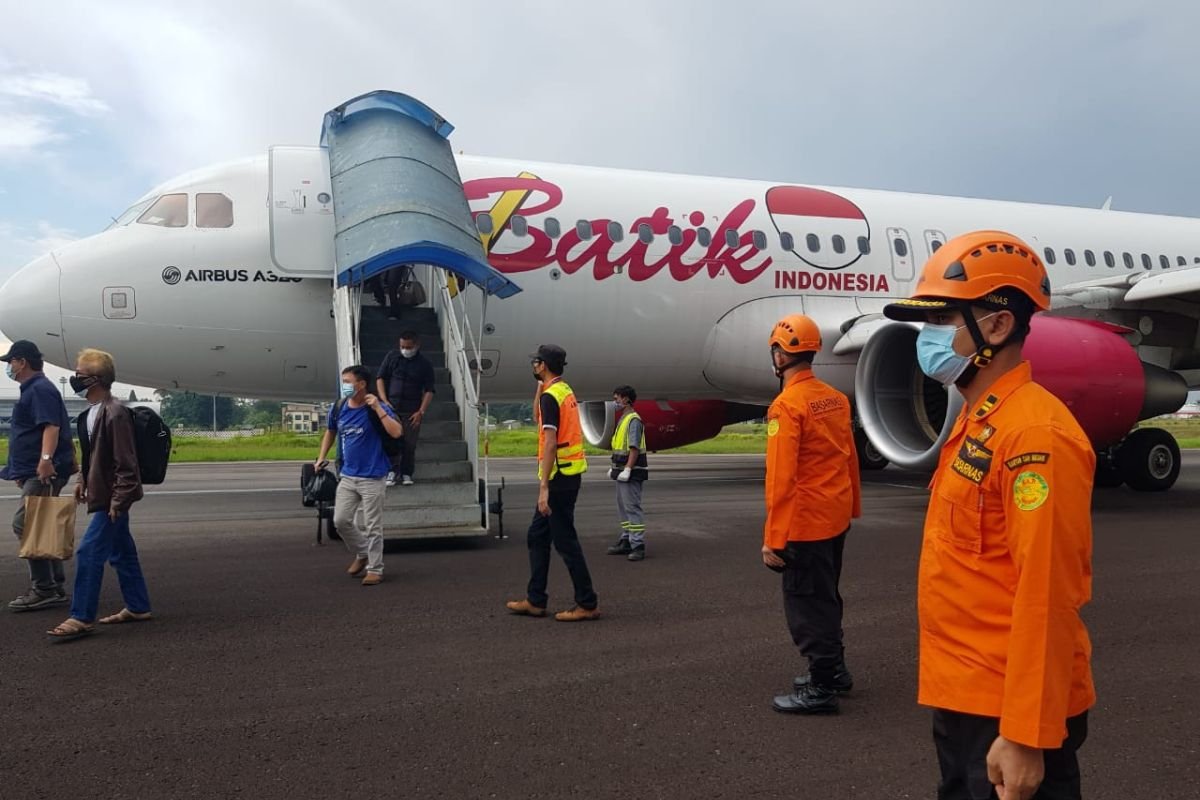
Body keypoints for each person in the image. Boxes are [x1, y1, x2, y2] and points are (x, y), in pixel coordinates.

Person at [883, 230, 1095, 800]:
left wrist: (1026, 733)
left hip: (1007, 710)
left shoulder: (1035, 434)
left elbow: (1047, 591)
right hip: (963, 693)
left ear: (998, 326)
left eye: (942, 320)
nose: (928, 337)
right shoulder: (981, 420)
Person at [762, 315, 862, 715]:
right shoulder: (835, 398)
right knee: (826, 596)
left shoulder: (786, 406)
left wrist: (774, 538)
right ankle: (834, 671)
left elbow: (780, 480)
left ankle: (822, 687)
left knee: (806, 605)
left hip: (804, 523)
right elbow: (849, 458)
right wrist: (852, 504)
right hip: (834, 517)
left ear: (780, 354)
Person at [47, 349, 151, 641]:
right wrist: (82, 480)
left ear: (95, 379)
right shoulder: (92, 413)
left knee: (88, 552)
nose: (74, 378)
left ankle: (81, 616)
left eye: (79, 374)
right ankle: (139, 606)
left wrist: (119, 501)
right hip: (104, 493)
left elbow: (126, 464)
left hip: (112, 499)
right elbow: (93, 456)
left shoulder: (115, 413)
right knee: (122, 553)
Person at [506, 345, 599, 622]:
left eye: (536, 362)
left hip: (559, 479)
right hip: (568, 475)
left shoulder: (552, 397)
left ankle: (587, 602)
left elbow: (549, 444)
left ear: (543, 365)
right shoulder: (562, 391)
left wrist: (543, 488)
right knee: (537, 536)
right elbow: (539, 417)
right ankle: (535, 600)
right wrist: (539, 388)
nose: (533, 365)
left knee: (565, 541)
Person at [1, 339, 76, 612]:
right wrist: (20, 470)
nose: (9, 367)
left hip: (44, 471)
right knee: (41, 524)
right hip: (36, 470)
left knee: (27, 524)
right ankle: (53, 586)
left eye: (11, 362)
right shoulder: (34, 389)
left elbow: (51, 427)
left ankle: (44, 588)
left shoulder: (39, 389)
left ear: (22, 361)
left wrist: (45, 462)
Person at [316, 365, 403, 586]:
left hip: (373, 475)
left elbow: (396, 432)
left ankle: (375, 568)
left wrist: (379, 409)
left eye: (348, 381)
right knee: (340, 520)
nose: (344, 385)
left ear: (361, 384)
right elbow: (331, 431)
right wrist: (321, 456)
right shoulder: (339, 407)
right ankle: (362, 551)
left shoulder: (376, 407)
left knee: (373, 525)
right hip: (348, 475)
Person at [376, 331, 435, 487]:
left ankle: (407, 472)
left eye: (408, 347)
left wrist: (421, 411)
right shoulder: (392, 357)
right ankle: (391, 471)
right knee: (391, 441)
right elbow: (380, 378)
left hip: (412, 409)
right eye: (402, 346)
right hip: (392, 407)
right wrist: (384, 400)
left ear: (417, 345)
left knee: (409, 443)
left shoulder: (424, 364)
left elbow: (429, 390)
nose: (405, 350)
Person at [605, 385, 649, 561]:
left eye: (617, 398)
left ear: (626, 399)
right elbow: (619, 447)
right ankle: (627, 539)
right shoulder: (623, 418)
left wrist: (628, 469)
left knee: (632, 507)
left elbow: (634, 448)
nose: (615, 402)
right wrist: (615, 468)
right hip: (621, 471)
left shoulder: (633, 421)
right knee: (623, 507)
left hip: (632, 472)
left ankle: (638, 545)